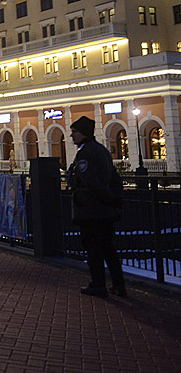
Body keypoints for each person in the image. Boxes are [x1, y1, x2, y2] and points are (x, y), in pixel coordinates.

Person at [68, 116, 126, 298]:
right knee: (109, 248)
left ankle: (98, 284)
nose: (72, 136)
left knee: (93, 248)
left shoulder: (85, 153)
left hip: (91, 209)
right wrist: (114, 199)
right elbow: (114, 178)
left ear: (84, 132)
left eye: (75, 132)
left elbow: (90, 181)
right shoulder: (102, 150)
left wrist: (105, 198)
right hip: (104, 210)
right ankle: (118, 284)